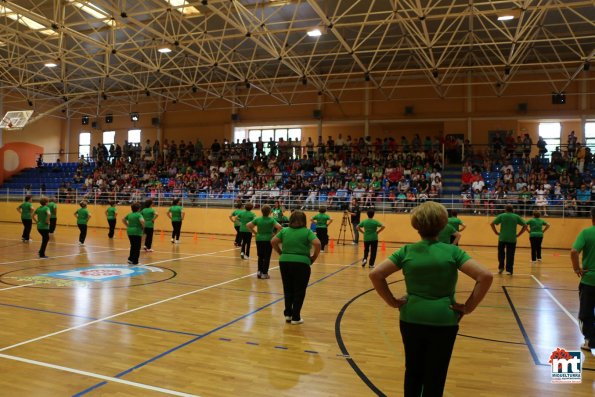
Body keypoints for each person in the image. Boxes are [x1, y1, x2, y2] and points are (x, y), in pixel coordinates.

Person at [369, 201, 493, 397]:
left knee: (413, 370)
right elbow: (485, 276)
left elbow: (376, 274)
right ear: (443, 224)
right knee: (436, 373)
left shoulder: (407, 251)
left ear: (416, 225)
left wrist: (392, 302)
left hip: (411, 317)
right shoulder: (453, 251)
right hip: (444, 320)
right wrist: (468, 308)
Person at [271, 211, 321, 325]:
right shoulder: (307, 232)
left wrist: (280, 252)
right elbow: (317, 244)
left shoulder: (284, 230)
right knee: (299, 290)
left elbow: (273, 241)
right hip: (301, 263)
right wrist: (313, 257)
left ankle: (288, 314)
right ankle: (296, 317)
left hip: (284, 262)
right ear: (304, 220)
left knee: (287, 288)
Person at [571, 207, 595, 351]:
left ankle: (590, 340)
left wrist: (576, 269)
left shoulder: (586, 233)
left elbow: (574, 251)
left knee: (586, 312)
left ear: (592, 218)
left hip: (589, 280)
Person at [248, 205, 282, 279]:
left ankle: (259, 271)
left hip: (259, 239)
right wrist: (275, 236)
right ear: (270, 212)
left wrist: (255, 233)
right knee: (267, 257)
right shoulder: (272, 220)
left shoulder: (257, 219)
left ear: (261, 211)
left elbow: (248, 225)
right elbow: (280, 227)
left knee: (260, 256)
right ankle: (264, 273)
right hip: (268, 240)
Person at [490, 204, 527, 275]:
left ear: (505, 209)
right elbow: (525, 225)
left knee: (501, 254)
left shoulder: (502, 215)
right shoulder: (516, 216)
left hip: (502, 238)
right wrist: (519, 234)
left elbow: (492, 223)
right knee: (510, 254)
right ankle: (509, 270)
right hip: (512, 238)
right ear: (512, 209)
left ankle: (501, 268)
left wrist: (495, 232)